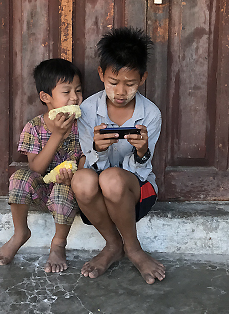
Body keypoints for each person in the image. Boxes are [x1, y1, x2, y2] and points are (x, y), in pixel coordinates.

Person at [73, 27, 165, 284]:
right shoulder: (88, 110)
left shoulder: (150, 115)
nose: (121, 92)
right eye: (114, 83)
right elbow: (89, 162)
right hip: (100, 197)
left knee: (112, 178)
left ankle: (134, 249)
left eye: (130, 84)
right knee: (82, 179)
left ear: (142, 78)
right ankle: (113, 245)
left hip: (136, 193)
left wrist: (142, 151)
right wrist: (99, 150)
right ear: (101, 75)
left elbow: (141, 172)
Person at [0, 58, 84, 273]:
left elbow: (86, 159)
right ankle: (20, 233)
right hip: (41, 191)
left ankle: (58, 244)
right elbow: (35, 169)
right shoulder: (34, 127)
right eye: (66, 92)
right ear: (46, 97)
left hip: (71, 192)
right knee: (19, 177)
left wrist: (76, 175)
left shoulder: (84, 125)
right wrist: (58, 135)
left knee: (63, 190)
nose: (75, 97)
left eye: (78, 91)